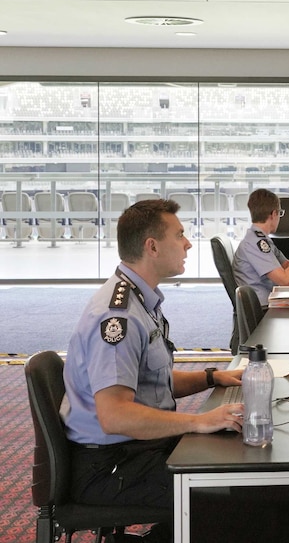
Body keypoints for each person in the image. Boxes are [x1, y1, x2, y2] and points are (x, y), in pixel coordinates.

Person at [63, 199, 244, 539]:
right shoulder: (118, 317)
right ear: (152, 246)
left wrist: (210, 378)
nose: (188, 243)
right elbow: (115, 416)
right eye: (180, 235)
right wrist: (199, 421)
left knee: (232, 460)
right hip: (110, 467)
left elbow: (149, 381)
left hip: (134, 450)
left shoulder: (140, 301)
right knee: (230, 495)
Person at [233, 189, 289, 306]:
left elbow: (284, 267)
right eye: (280, 213)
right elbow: (285, 281)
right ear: (274, 214)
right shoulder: (255, 243)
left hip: (273, 300)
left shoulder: (262, 238)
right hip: (264, 309)